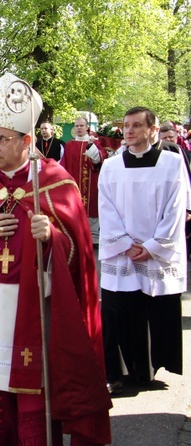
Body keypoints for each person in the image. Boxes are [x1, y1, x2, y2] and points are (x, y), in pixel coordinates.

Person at [0, 73, 111, 446]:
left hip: (34, 310)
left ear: (27, 140)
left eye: (2, 139)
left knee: (32, 393)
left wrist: (51, 237)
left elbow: (78, 253)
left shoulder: (55, 183)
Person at [99, 107, 188, 396]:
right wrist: (125, 244)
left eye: (137, 125)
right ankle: (119, 371)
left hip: (155, 251)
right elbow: (106, 208)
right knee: (119, 311)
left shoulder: (172, 163)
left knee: (154, 311)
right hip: (122, 252)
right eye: (126, 126)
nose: (129, 131)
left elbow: (176, 209)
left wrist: (152, 247)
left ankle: (150, 368)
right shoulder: (111, 166)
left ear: (152, 129)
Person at [60, 117, 107, 244]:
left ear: (87, 127)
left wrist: (92, 148)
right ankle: (76, 236)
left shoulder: (94, 143)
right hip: (74, 183)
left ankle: (94, 238)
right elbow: (64, 164)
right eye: (77, 126)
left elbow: (100, 160)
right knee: (74, 207)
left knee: (92, 207)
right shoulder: (69, 145)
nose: (79, 128)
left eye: (81, 125)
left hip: (91, 182)